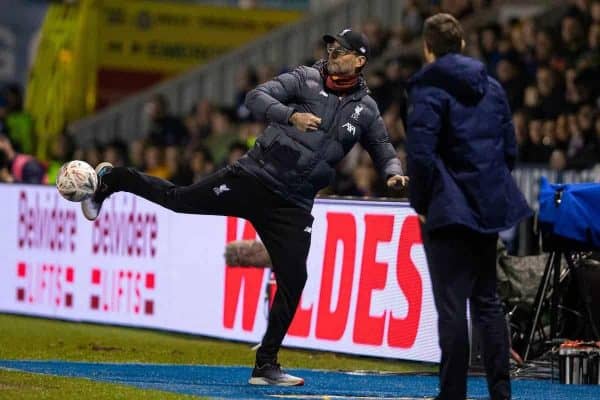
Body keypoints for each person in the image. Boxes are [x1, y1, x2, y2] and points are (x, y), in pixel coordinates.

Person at [79, 28, 408, 386]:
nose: (332, 52)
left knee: (294, 280)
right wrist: (289, 116)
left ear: (359, 61)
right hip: (253, 178)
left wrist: (393, 173)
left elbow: (383, 147)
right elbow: (255, 97)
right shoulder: (305, 78)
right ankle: (114, 180)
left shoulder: (366, 109)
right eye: (331, 46)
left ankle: (265, 365)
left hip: (293, 205)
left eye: (341, 49)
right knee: (178, 201)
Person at [405, 14, 531, 400]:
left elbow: (421, 157)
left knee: (451, 305)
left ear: (428, 49)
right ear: (461, 45)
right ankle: (500, 392)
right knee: (488, 302)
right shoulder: (491, 87)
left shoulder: (427, 91)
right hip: (486, 208)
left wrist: (421, 203)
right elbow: (509, 149)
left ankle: (453, 394)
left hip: (446, 210)